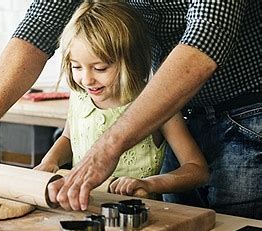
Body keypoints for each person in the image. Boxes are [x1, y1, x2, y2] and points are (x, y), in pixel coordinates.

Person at [0, 1, 261, 219]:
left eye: (99, 67)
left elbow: (208, 34)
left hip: (246, 112)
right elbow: (39, 25)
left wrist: (109, 144)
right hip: (169, 107)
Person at [33, 2, 208, 201]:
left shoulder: (158, 105)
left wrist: (149, 183)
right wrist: (50, 161)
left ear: (131, 60)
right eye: (76, 67)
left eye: (99, 68)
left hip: (138, 217)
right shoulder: (80, 97)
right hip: (83, 208)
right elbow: (68, 139)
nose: (87, 79)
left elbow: (197, 170)